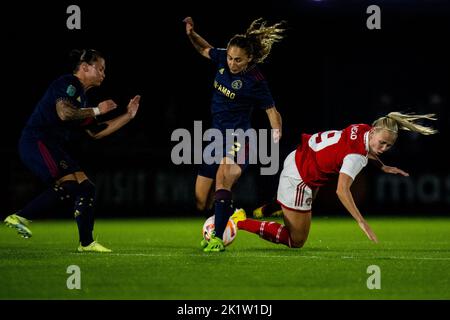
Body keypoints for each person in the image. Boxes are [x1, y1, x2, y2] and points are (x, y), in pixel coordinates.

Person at [231, 112, 437, 248]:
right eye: (382, 143)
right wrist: (361, 221)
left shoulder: (363, 128)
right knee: (296, 241)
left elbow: (366, 150)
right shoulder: (356, 157)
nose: (383, 149)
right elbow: (341, 190)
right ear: (373, 132)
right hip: (300, 177)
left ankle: (272, 206)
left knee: (316, 189)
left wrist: (381, 165)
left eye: (388, 147)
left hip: (300, 157)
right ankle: (240, 221)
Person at [4, 49, 141, 253]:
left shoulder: (82, 99)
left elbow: (95, 132)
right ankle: (20, 216)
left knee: (86, 187)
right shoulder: (69, 82)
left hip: (52, 146)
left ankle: (86, 243)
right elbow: (64, 113)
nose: (104, 74)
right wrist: (97, 110)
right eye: (101, 68)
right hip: (36, 142)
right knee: (68, 184)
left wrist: (127, 116)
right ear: (85, 67)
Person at [183, 17, 284, 252]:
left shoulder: (256, 80)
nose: (232, 63)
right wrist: (191, 34)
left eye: (237, 59)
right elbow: (203, 48)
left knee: (223, 176)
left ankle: (218, 238)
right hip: (215, 137)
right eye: (229, 57)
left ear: (249, 58)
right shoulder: (221, 58)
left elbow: (272, 110)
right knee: (200, 201)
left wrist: (276, 131)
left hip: (241, 138)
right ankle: (229, 213)